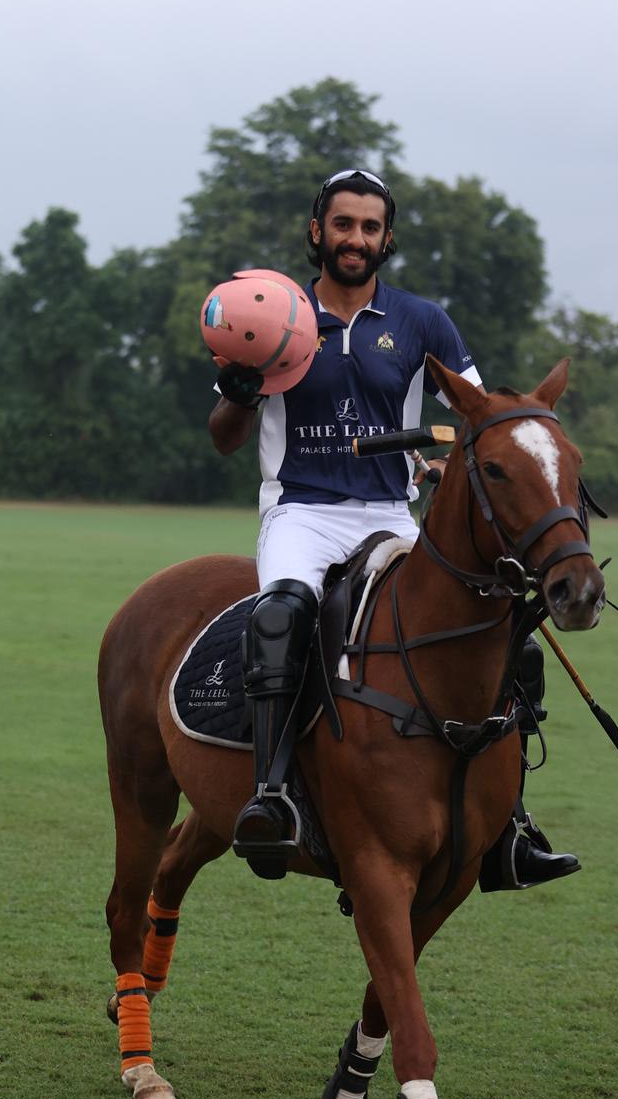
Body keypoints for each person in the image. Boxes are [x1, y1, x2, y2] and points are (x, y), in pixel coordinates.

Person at [209, 167, 579, 890]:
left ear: (386, 239)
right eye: (343, 225)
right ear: (318, 230)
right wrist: (238, 390)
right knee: (282, 615)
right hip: (303, 513)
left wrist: (455, 466)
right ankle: (273, 795)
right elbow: (224, 437)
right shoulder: (273, 313)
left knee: (511, 633)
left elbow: (476, 414)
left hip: (387, 513)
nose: (356, 239)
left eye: (370, 228)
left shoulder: (421, 323)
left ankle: (510, 826)